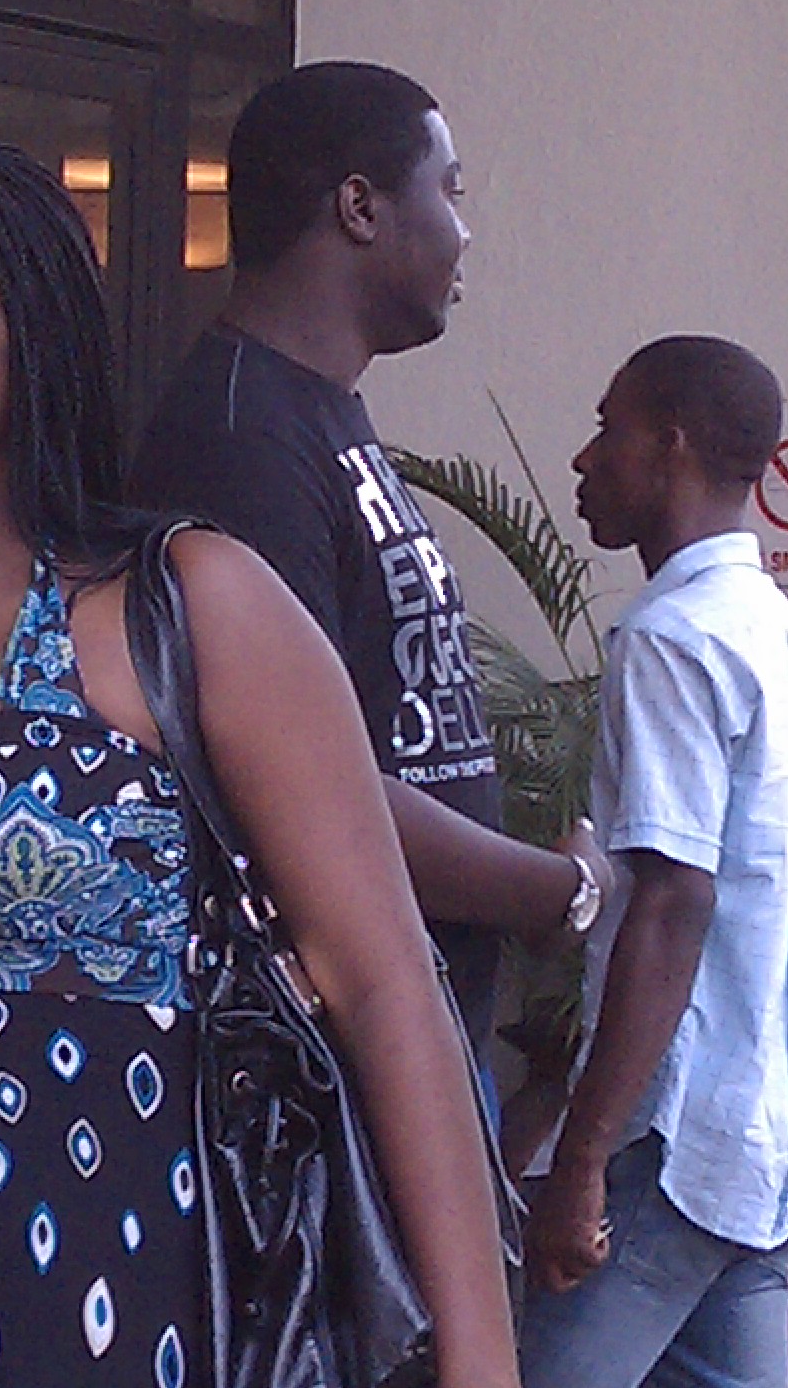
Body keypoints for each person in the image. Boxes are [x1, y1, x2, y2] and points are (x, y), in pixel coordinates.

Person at [0, 128, 519, 1388]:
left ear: (32, 332)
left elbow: (385, 989)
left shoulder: (178, 605)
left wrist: (483, 1367)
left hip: (124, 1306)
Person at [131, 61, 606, 1068]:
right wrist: (550, 890)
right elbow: (287, 773)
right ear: (360, 207)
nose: (465, 230)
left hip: (411, 1034)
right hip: (330, 1066)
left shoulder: (313, 408)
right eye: (451, 189)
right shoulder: (239, 436)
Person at [518, 335, 788, 1388]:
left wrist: (580, 1157)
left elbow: (674, 899)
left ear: (669, 444)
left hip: (673, 1140)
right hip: (772, 1141)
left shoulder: (672, 634)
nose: (583, 459)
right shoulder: (782, 636)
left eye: (607, 428)